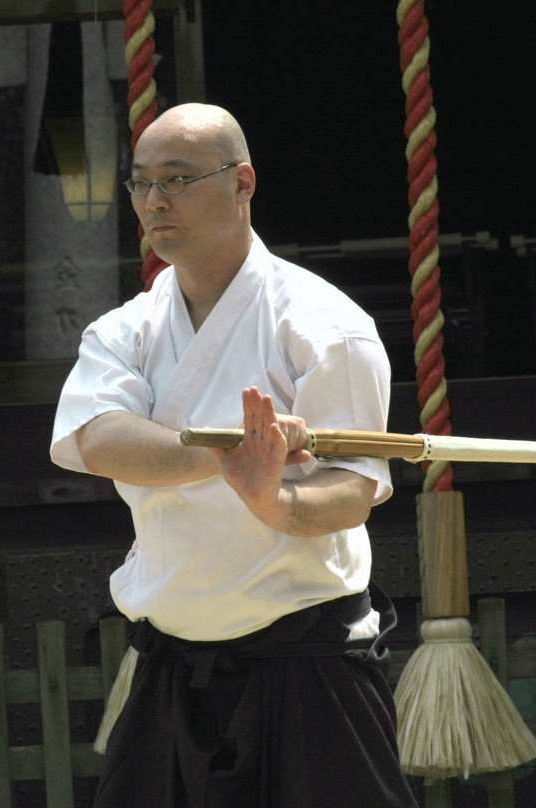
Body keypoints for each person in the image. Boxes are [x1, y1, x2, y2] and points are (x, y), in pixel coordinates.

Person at [51, 103, 417, 808]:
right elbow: (97, 438)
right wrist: (224, 457)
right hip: (170, 659)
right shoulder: (126, 329)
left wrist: (272, 499)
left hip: (310, 660)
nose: (154, 201)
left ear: (242, 181)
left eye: (178, 179)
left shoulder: (325, 326)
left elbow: (351, 491)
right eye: (141, 183)